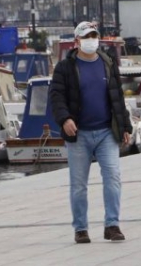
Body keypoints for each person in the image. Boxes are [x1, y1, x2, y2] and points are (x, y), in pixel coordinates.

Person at [50, 21, 132, 244]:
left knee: (113, 177)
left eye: (94, 35)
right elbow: (56, 97)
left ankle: (112, 225)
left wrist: (125, 126)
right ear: (77, 42)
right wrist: (65, 119)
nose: (91, 40)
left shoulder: (107, 62)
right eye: (87, 37)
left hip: (107, 131)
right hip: (79, 134)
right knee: (78, 185)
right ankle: (80, 228)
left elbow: (118, 97)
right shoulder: (65, 68)